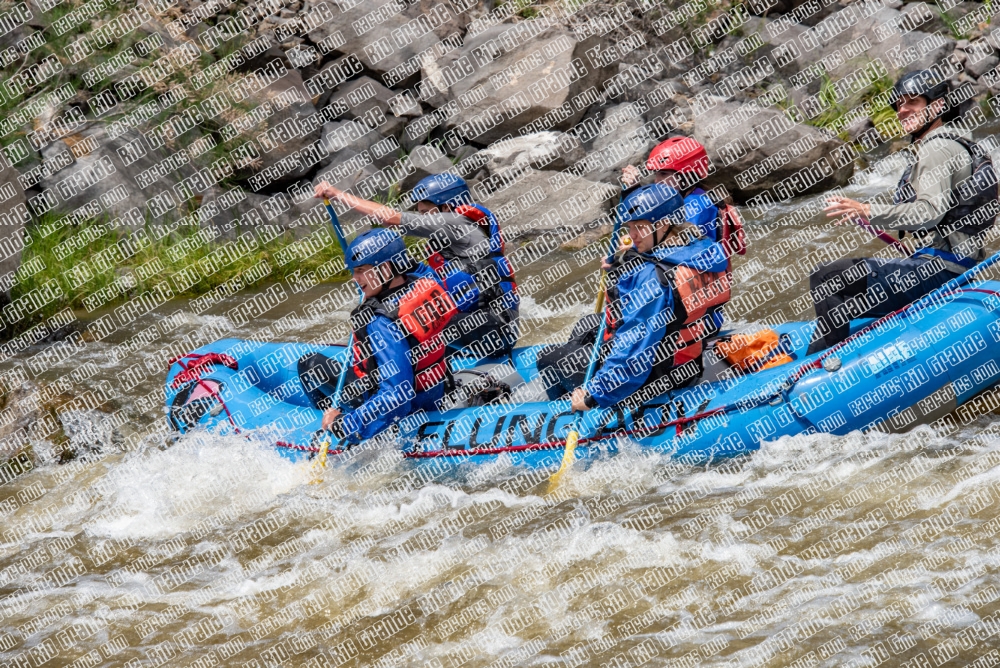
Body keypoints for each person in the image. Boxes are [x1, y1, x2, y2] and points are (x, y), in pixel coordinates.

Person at [807, 69, 997, 354]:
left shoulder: (936, 149)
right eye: (899, 104)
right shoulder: (960, 143)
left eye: (912, 102)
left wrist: (866, 208)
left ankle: (821, 367)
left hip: (939, 272)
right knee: (847, 292)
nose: (902, 110)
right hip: (955, 267)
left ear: (937, 105)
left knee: (828, 277)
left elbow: (929, 213)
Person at [536, 184, 731, 408]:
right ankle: (581, 374)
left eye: (639, 227)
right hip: (687, 362)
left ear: (664, 224)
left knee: (548, 358)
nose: (632, 235)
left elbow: (633, 356)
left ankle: (569, 413)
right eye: (630, 227)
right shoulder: (701, 248)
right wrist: (619, 269)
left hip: (653, 377)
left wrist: (594, 397)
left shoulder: (652, 281)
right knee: (587, 324)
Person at [314, 174, 519, 359]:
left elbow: (390, 218)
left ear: (446, 208)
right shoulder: (456, 243)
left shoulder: (458, 223)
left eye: (425, 213)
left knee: (411, 322)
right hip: (478, 326)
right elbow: (439, 283)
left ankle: (394, 367)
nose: (422, 219)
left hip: (494, 333)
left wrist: (337, 194)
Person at [314, 228, 456, 445]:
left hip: (405, 411)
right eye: (354, 271)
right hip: (435, 393)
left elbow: (397, 396)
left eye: (361, 270)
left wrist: (343, 424)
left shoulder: (381, 321)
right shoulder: (422, 282)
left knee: (310, 364)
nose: (355, 279)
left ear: (386, 268)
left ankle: (327, 423)